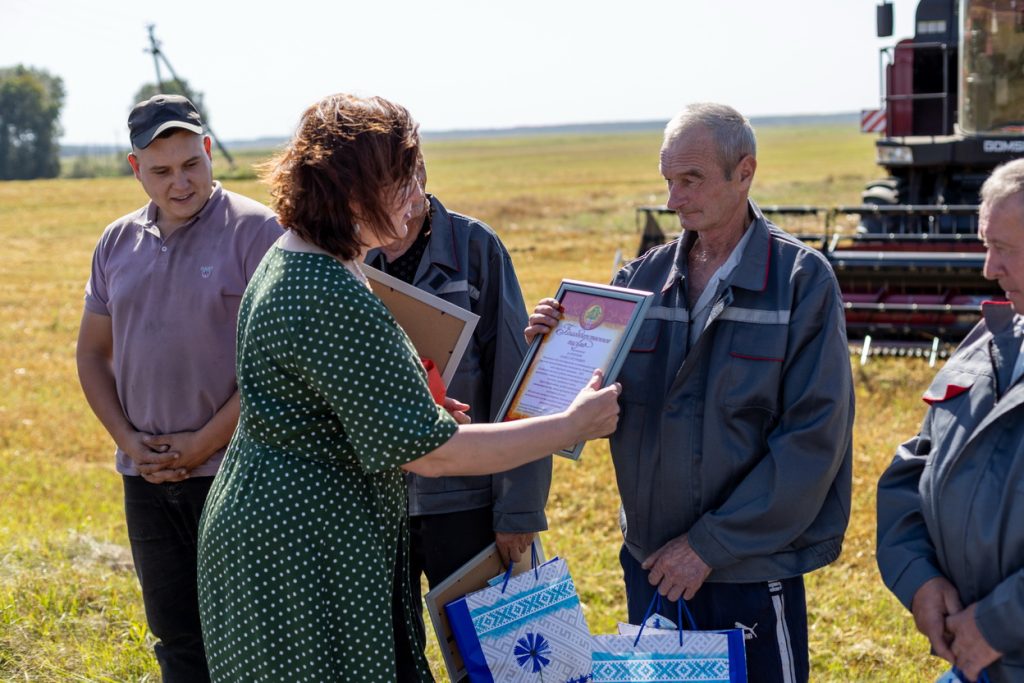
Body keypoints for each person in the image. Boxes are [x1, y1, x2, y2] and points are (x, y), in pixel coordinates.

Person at [195, 93, 621, 683]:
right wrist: (570, 426)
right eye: (401, 182)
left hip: (284, 528)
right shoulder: (328, 291)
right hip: (306, 545)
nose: (417, 195)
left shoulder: (297, 259)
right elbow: (435, 456)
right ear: (352, 193)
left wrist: (414, 404)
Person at [525, 103, 854, 682]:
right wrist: (551, 352)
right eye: (668, 180)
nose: (673, 199)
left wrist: (707, 547)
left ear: (744, 171)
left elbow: (812, 441)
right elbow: (586, 412)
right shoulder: (640, 281)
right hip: (653, 567)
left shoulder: (800, 282)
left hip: (749, 571)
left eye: (691, 180)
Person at [75, 94, 284, 681]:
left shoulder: (259, 232)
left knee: (247, 637)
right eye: (162, 170)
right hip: (144, 478)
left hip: (236, 475)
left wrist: (202, 443)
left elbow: (276, 368)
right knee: (176, 638)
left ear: (209, 150)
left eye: (192, 164)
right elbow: (91, 354)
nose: (181, 182)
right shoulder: (116, 242)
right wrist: (129, 442)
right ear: (135, 168)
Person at [364, 157, 551, 632]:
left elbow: (515, 378)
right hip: (377, 504)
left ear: (422, 173)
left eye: (405, 179)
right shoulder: (351, 254)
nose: (402, 196)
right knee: (392, 653)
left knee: (487, 653)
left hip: (467, 499)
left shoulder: (476, 248)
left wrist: (519, 508)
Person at [876, 158, 1024, 683]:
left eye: (1003, 248)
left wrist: (1000, 624)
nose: (988, 268)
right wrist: (919, 578)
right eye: (986, 245)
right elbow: (912, 468)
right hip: (975, 662)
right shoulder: (990, 341)